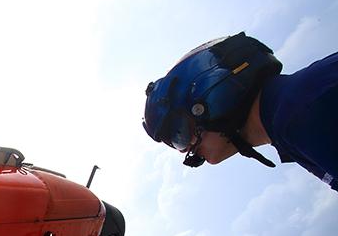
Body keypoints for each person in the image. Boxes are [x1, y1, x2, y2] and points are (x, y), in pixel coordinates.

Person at [143, 32, 337, 190]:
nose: (187, 151)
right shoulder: (290, 115)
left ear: (207, 95)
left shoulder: (301, 114)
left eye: (180, 135)